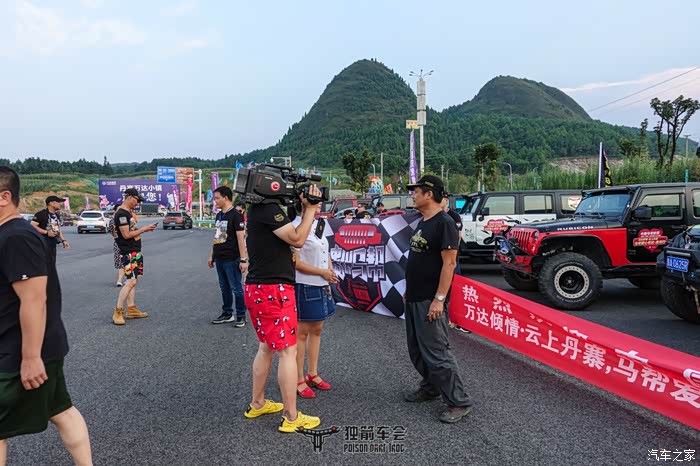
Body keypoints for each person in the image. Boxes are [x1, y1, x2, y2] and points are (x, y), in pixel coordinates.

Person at [0, 167, 93, 466]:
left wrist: (30, 357)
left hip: (19, 350)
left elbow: (34, 299)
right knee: (61, 410)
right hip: (39, 345)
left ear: (4, 197)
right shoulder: (11, 234)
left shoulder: (16, 236)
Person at [243, 187, 323, 433]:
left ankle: (258, 403)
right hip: (274, 290)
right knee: (288, 351)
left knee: (266, 347)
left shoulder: (257, 209)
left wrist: (303, 208)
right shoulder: (269, 209)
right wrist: (311, 208)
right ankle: (291, 416)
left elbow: (289, 231)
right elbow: (298, 239)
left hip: (258, 287)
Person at [404, 175, 473, 424]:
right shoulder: (424, 221)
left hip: (430, 300)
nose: (413, 195)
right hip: (415, 296)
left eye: (416, 191)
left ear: (429, 194)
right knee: (417, 350)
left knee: (436, 353)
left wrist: (439, 299)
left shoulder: (444, 223)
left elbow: (449, 264)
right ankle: (431, 387)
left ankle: (459, 401)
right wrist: (409, 290)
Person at [292, 203, 338, 399]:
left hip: (322, 284)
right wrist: (322, 272)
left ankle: (313, 373)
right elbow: (296, 262)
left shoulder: (320, 224)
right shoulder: (294, 226)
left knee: (317, 329)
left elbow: (325, 252)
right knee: (301, 333)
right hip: (304, 284)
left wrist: (330, 271)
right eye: (315, 199)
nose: (320, 202)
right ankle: (298, 379)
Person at [111, 188, 157, 326]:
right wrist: (144, 229)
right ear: (130, 197)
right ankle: (118, 311)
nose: (138, 203)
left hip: (134, 251)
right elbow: (126, 235)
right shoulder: (122, 214)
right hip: (128, 252)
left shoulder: (127, 213)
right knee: (131, 282)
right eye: (137, 200)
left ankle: (131, 308)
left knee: (133, 280)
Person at [209, 187, 248, 327]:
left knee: (236, 288)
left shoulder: (236, 215)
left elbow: (241, 239)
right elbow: (217, 237)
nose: (215, 201)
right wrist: (211, 255)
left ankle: (241, 315)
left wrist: (243, 260)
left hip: (232, 258)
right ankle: (227, 313)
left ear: (225, 198)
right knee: (224, 288)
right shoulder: (219, 215)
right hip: (219, 258)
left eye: (217, 198)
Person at [31, 195, 70, 260]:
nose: (60, 204)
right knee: (43, 263)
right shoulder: (41, 214)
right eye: (58, 202)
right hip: (42, 244)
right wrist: (46, 232)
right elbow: (32, 225)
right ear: (51, 203)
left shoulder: (56, 215)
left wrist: (63, 240)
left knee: (51, 263)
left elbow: (58, 228)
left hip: (52, 244)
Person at [442, 197, 463, 276]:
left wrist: (455, 250)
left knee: (454, 274)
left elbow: (458, 236)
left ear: (446, 200)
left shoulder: (454, 216)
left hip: (451, 250)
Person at [107, 203, 126, 287]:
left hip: (126, 242)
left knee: (126, 261)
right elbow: (111, 231)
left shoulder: (124, 218)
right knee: (122, 262)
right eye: (118, 209)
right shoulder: (113, 220)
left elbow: (133, 228)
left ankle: (124, 279)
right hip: (120, 243)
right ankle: (120, 280)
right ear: (115, 210)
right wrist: (117, 238)